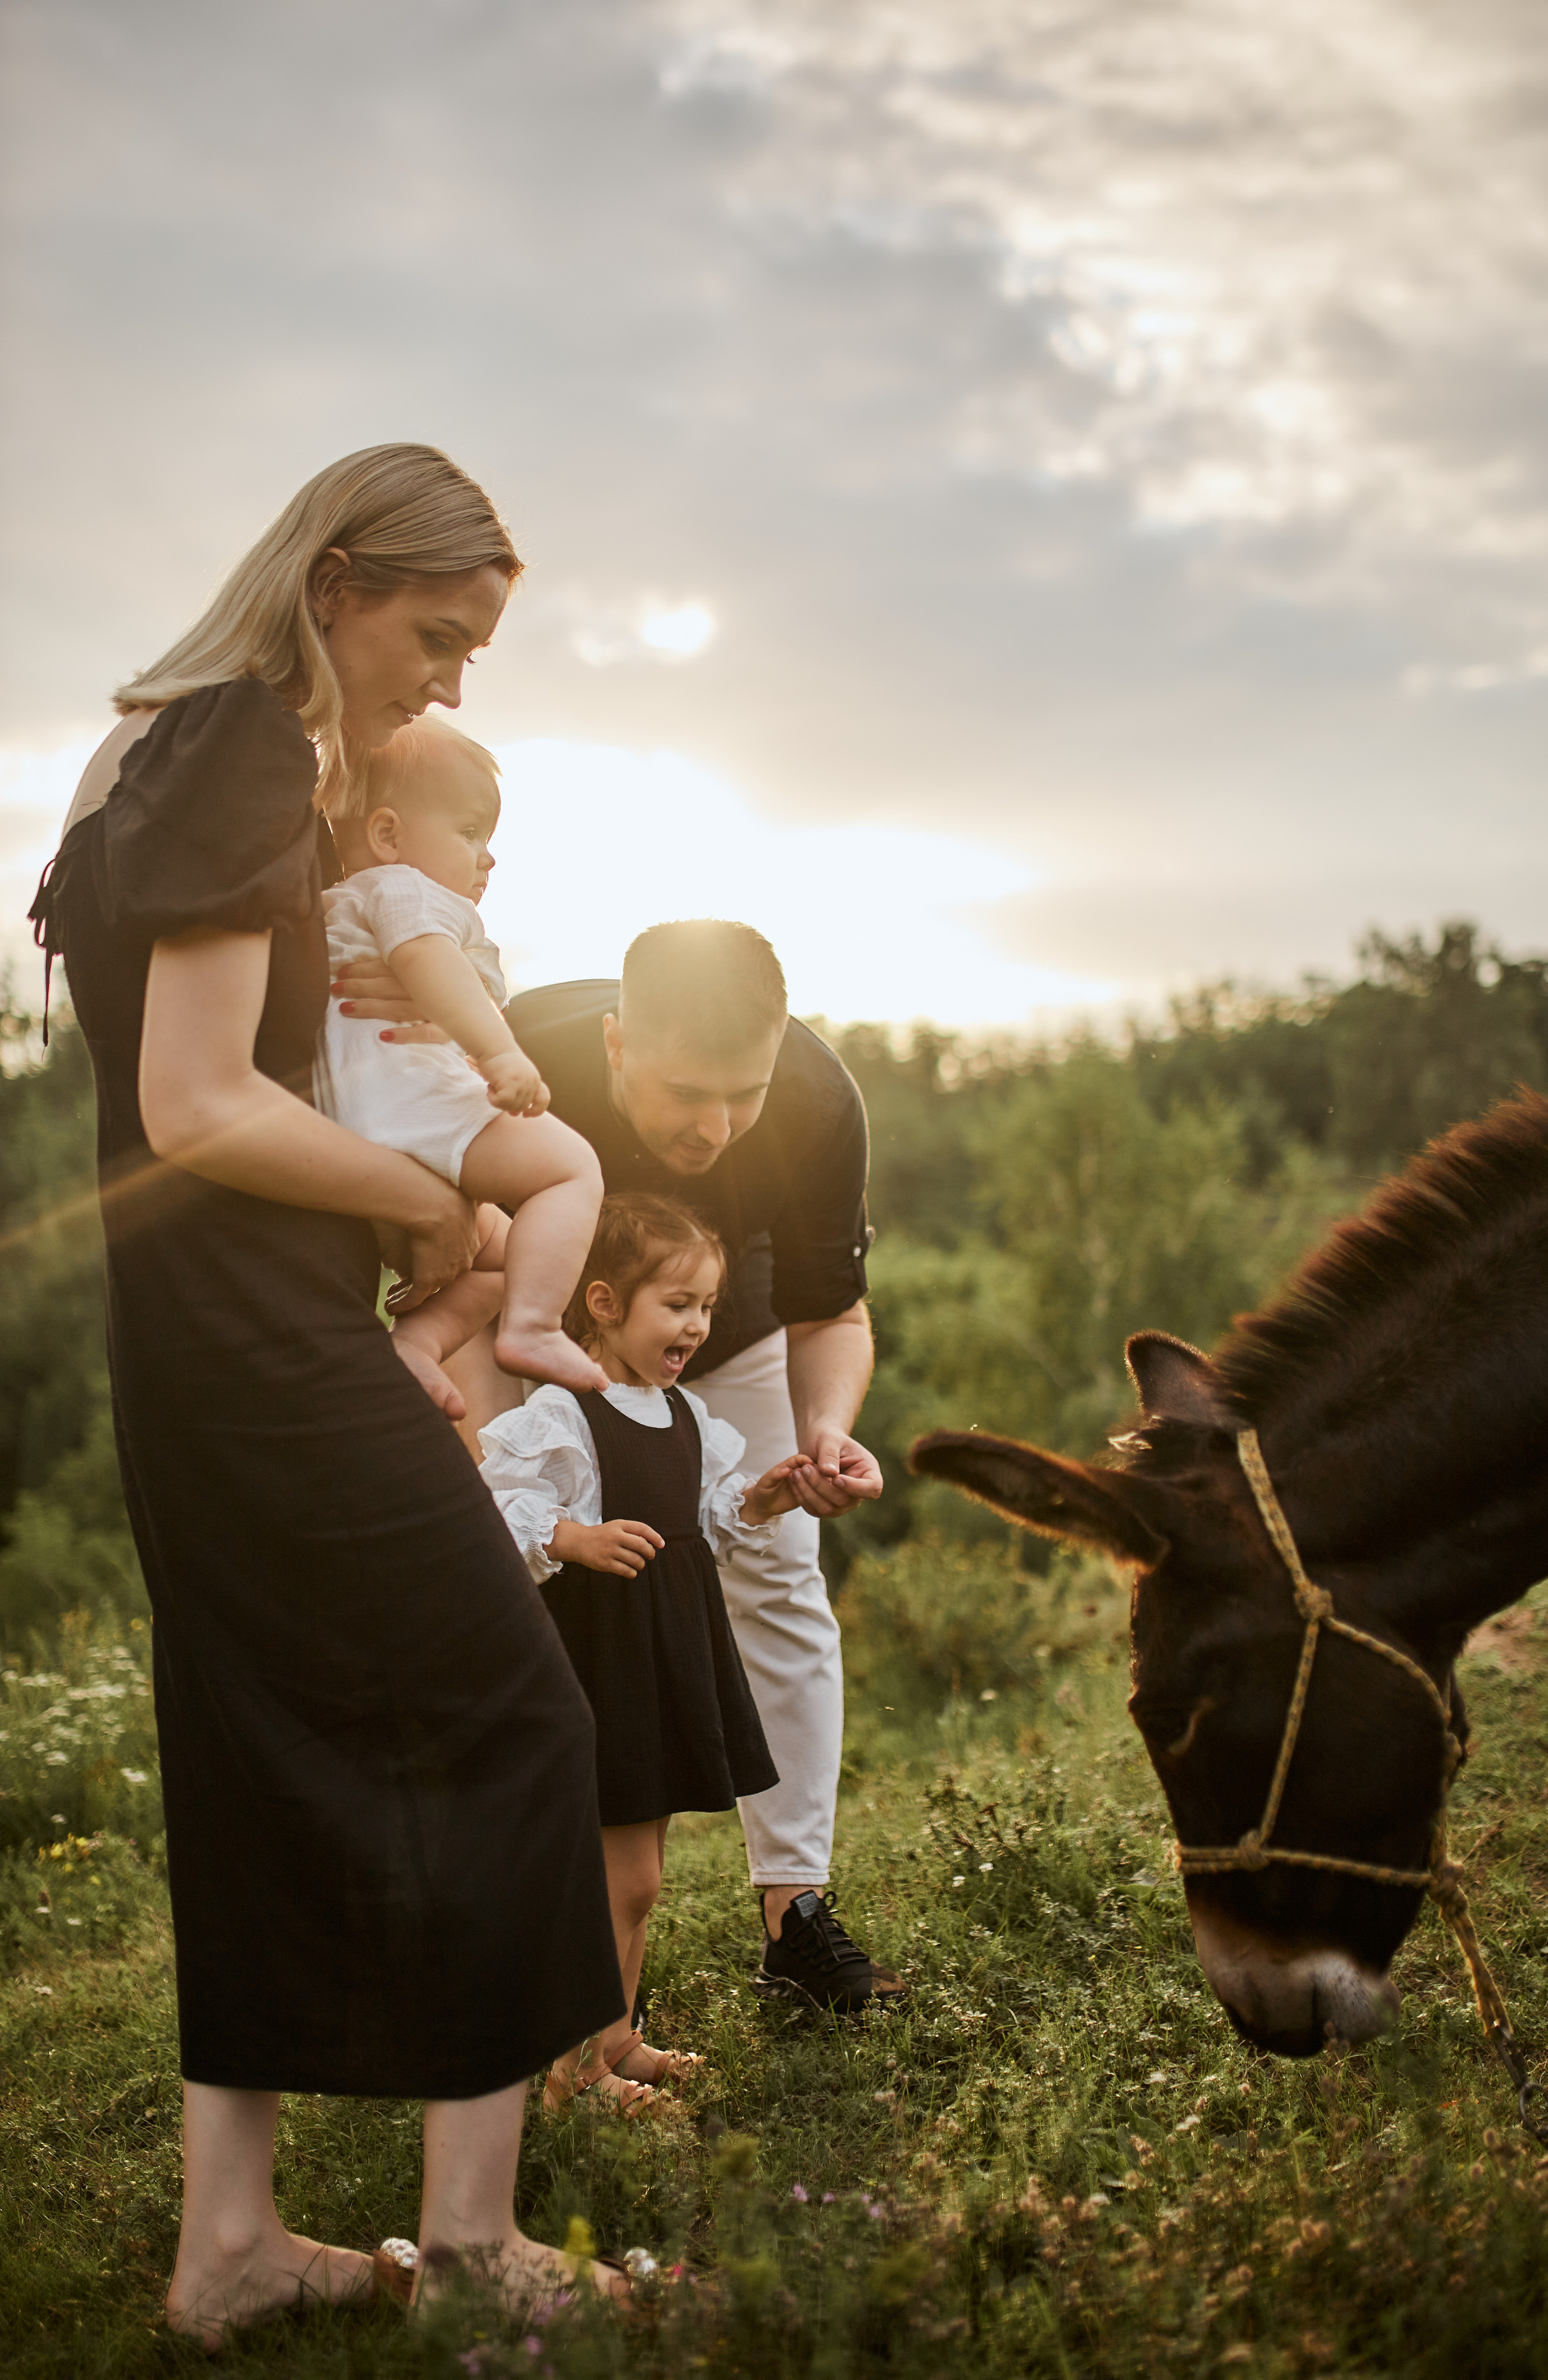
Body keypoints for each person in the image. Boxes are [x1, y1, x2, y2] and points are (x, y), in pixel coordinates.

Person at [27, 444, 627, 2350]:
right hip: (261, 1342)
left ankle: (231, 2248)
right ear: (340, 583)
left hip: (196, 1341)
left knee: (259, 1746)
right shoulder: (243, 748)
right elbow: (196, 1103)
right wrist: (427, 1201)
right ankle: (476, 2249)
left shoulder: (151, 744)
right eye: (438, 638)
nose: (445, 686)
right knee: (514, 1712)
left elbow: (206, 1068)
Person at [339, 917, 904, 2012]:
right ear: (614, 1043)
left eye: (743, 1094)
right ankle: (533, 1920)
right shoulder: (510, 1047)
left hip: (724, 1333)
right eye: (687, 1092)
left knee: (780, 1573)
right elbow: (443, 1236)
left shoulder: (819, 1102)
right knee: (518, 1586)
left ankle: (796, 1914)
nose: (717, 1127)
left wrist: (825, 1432)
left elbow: (832, 1312)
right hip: (535, 1331)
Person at [478, 1193, 814, 2113]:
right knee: (620, 1881)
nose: (697, 1325)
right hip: (600, 1660)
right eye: (677, 1304)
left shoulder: (687, 1415)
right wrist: (573, 1537)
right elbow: (496, 1508)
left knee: (641, 1875)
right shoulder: (565, 1410)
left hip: (665, 1659)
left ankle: (615, 2036)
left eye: (706, 1306)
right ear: (604, 1303)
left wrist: (762, 1501)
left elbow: (706, 1520)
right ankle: (575, 2074)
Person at [314, 713, 605, 1396]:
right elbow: (427, 961)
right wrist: (500, 1053)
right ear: (388, 835)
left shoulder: (340, 907)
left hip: (356, 1124)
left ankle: (416, 1347)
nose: (487, 857)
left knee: (500, 1255)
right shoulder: (404, 889)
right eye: (471, 832)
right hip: (413, 1104)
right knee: (571, 1171)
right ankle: (535, 1326)